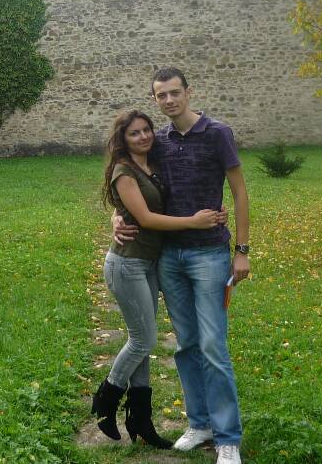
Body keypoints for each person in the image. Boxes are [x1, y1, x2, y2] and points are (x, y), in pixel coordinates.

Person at [114, 68, 250, 464]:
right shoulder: (159, 141)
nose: (169, 100)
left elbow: (240, 192)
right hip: (169, 257)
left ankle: (227, 437)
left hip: (210, 254)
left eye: (175, 93)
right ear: (155, 99)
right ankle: (200, 423)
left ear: (189, 92)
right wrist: (116, 218)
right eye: (162, 95)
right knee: (187, 343)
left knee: (213, 346)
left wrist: (242, 250)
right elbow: (129, 180)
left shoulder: (217, 133)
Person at [93, 109, 227, 448]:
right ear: (123, 139)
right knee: (143, 340)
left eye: (146, 130)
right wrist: (194, 222)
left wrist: (215, 213)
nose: (143, 136)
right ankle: (107, 397)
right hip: (127, 263)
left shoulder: (153, 163)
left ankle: (141, 420)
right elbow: (146, 218)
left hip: (149, 262)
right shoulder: (124, 170)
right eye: (134, 133)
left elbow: (136, 206)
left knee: (141, 339)